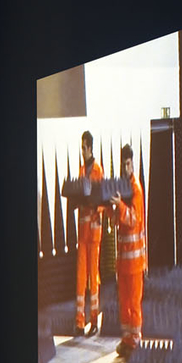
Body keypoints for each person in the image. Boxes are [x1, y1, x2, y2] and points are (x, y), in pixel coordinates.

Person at [112, 143, 147, 358]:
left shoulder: (136, 189)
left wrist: (120, 206)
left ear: (132, 164)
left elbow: (134, 219)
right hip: (124, 261)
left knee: (134, 303)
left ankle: (135, 341)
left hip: (134, 262)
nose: (125, 168)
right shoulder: (123, 189)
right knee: (124, 303)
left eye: (128, 164)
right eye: (123, 165)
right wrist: (112, 209)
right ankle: (126, 339)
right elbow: (119, 222)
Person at [73, 131, 105, 336]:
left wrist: (95, 206)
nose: (82, 151)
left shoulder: (98, 170)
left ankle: (94, 321)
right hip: (83, 233)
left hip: (94, 233)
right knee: (80, 278)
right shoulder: (81, 170)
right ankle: (79, 322)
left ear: (90, 148)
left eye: (84, 147)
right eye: (81, 147)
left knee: (93, 278)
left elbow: (103, 199)